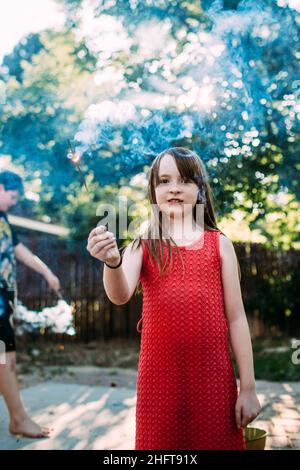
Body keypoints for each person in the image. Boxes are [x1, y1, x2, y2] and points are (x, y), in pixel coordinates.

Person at [87, 147, 261, 450]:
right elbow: (119, 294)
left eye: (184, 180)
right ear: (154, 191)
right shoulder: (143, 243)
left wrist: (248, 388)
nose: (174, 188)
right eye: (164, 181)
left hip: (213, 381)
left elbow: (236, 318)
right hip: (159, 382)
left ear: (200, 189)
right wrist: (112, 262)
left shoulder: (219, 244)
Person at [0, 171, 60, 438]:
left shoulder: (3, 220)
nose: (13, 202)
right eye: (11, 195)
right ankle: (19, 419)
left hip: (3, 302)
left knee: (5, 360)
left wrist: (47, 272)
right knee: (4, 360)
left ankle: (18, 419)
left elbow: (19, 250)